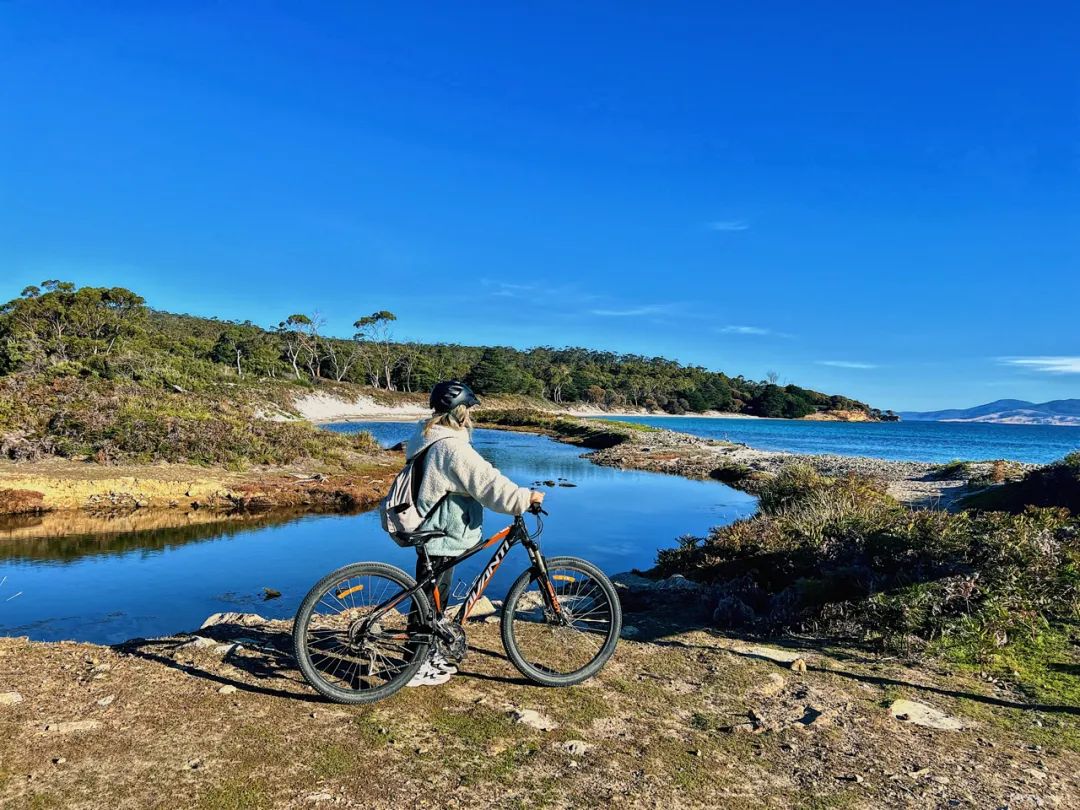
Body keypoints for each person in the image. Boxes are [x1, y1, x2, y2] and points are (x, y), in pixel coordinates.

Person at [404, 380, 544, 687]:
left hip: (429, 524)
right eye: (468, 410)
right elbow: (488, 483)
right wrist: (524, 497)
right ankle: (414, 666)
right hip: (440, 530)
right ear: (458, 412)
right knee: (429, 599)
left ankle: (429, 653)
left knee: (430, 597)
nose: (471, 417)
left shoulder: (427, 436)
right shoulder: (452, 448)